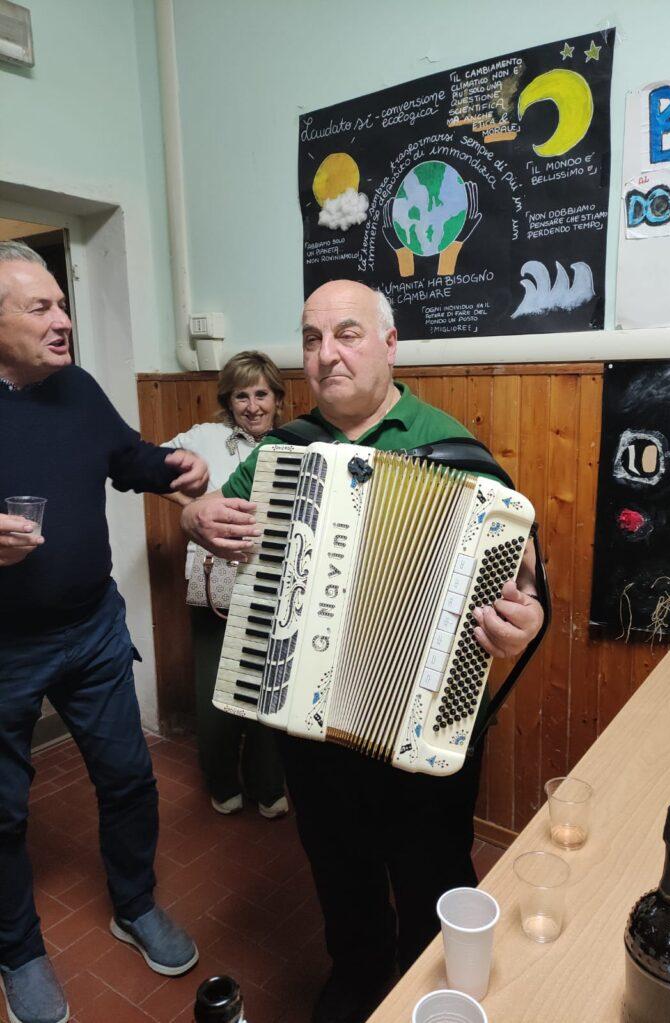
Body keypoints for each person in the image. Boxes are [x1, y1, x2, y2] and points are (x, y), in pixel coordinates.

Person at [180, 280, 545, 1023]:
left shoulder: (454, 449)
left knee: (432, 869)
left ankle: (430, 990)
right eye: (311, 339)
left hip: (424, 720)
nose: (326, 354)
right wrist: (195, 516)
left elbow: (527, 579)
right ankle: (357, 973)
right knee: (336, 865)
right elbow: (214, 514)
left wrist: (527, 617)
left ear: (389, 344)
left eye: (346, 333)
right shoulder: (282, 450)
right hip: (307, 724)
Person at [0, 241, 209, 1023]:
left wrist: (176, 465)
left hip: (91, 631)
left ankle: (135, 903)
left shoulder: (78, 389)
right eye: (41, 308)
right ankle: (18, 949)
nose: (64, 320)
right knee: (3, 813)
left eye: (63, 303)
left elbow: (128, 458)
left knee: (128, 777)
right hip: (4, 651)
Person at [161, 351, 289, 818]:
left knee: (270, 685)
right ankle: (220, 781)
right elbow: (150, 466)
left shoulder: (295, 441)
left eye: (261, 394)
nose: (253, 406)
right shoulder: (204, 437)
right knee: (216, 690)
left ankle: (267, 784)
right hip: (215, 577)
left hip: (275, 579)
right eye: (241, 396)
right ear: (228, 401)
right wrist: (191, 508)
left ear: (277, 399)